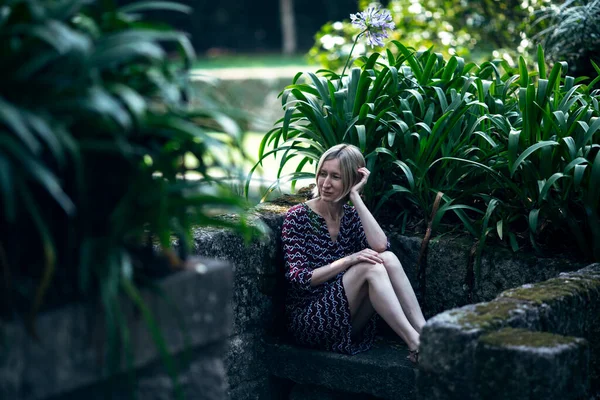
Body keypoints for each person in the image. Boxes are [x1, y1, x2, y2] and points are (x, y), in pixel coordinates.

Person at [282, 143, 425, 362]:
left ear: (350, 181)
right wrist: (349, 260)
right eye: (322, 174)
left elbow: (381, 247)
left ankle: (427, 336)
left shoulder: (350, 215)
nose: (325, 184)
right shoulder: (298, 217)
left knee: (387, 258)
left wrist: (356, 198)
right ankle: (414, 343)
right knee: (369, 268)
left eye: (336, 177)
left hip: (349, 318)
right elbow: (299, 278)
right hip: (310, 321)